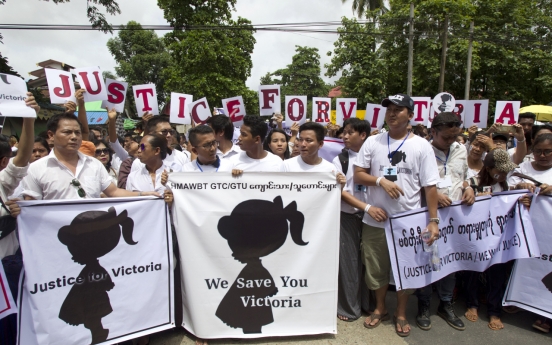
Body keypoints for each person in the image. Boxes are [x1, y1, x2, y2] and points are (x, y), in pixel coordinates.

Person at [353, 93, 441, 337]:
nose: (392, 113)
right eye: (389, 109)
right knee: (376, 268)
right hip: (376, 220)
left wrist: (433, 221)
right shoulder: (373, 142)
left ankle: (401, 312)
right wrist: (380, 181)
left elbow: (430, 186)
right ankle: (380, 308)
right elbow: (359, 174)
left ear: (410, 115)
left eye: (398, 109)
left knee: (406, 269)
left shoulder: (422, 146)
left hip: (408, 222)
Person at [11, 113, 159, 201]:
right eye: (67, 132)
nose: (74, 137)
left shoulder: (94, 164)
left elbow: (113, 192)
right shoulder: (36, 169)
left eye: (77, 133)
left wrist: (143, 194)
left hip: (92, 234)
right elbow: (31, 206)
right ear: (51, 135)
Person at [416, 112, 475, 332]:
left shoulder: (461, 150)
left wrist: (469, 187)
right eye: (446, 138)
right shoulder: (422, 151)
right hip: (428, 216)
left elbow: (465, 175)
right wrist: (434, 195)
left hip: (455, 218)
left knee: (450, 262)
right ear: (433, 132)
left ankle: (446, 304)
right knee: (428, 259)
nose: (452, 141)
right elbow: (414, 182)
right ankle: (423, 304)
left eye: (455, 136)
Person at [462, 148, 519, 331]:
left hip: (499, 240)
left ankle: (494, 311)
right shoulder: (472, 184)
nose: (502, 174)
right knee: (473, 272)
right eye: (499, 170)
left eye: (505, 171)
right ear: (488, 167)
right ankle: (473, 303)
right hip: (476, 239)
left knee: (497, 274)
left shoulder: (507, 186)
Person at [508, 133, 552, 333]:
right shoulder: (523, 168)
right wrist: (519, 188)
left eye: (548, 151)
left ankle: (545, 314)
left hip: (547, 233)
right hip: (523, 227)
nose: (542, 155)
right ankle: (518, 297)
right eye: (538, 151)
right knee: (523, 264)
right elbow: (508, 188)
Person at [332, 117, 371, 322]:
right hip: (347, 215)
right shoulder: (341, 160)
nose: (344, 136)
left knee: (370, 261)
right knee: (349, 262)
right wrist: (365, 207)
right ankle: (348, 307)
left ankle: (368, 304)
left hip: (373, 217)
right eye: (343, 132)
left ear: (363, 135)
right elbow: (340, 192)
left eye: (349, 132)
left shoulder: (376, 157)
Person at [127, 134, 170, 201]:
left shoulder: (172, 175)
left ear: (156, 151)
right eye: (139, 147)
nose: (139, 150)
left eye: (143, 147)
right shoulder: (133, 177)